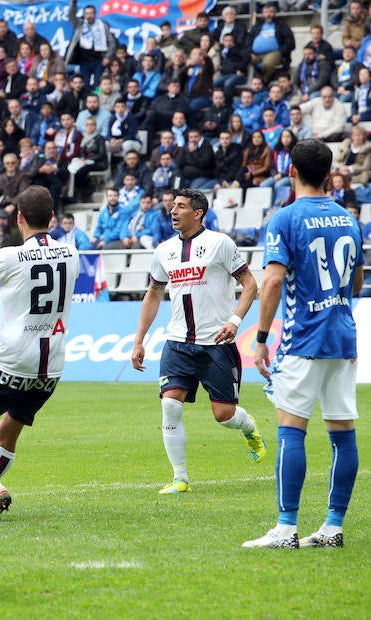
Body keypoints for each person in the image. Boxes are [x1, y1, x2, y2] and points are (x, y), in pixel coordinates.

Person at [243, 140, 364, 549]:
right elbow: (357, 281)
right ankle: (332, 527)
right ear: (329, 174)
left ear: (291, 170)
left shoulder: (285, 218)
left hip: (304, 339)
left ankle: (285, 527)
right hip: (343, 337)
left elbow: (273, 280)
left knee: (291, 429)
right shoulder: (350, 219)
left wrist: (261, 338)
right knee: (342, 432)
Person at [0, 185, 79, 520]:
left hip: (12, 358)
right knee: (7, 434)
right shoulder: (72, 253)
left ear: (19, 217)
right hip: (51, 366)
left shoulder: (9, 256)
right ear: (52, 218)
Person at [130, 188, 265, 494]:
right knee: (170, 405)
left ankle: (250, 428)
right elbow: (153, 294)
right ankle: (180, 478)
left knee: (224, 415)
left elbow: (250, 284)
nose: (173, 211)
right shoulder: (163, 251)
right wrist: (139, 340)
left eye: (180, 207)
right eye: (172, 206)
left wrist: (235, 321)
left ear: (198, 213)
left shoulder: (220, 243)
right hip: (177, 343)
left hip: (217, 343)